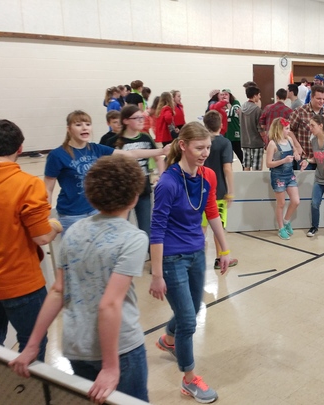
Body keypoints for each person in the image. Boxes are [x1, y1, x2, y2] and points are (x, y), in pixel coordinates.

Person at [10, 155, 151, 403]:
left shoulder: (74, 230)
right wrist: (110, 367)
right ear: (134, 197)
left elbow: (57, 290)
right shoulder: (134, 238)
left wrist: (32, 345)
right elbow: (109, 304)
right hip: (121, 350)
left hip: (76, 346)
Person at [150, 122, 237, 404]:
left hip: (197, 252)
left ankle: (168, 339)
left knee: (194, 305)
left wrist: (224, 250)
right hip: (172, 258)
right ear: (183, 146)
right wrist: (156, 274)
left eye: (208, 147)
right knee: (188, 320)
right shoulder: (168, 183)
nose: (205, 153)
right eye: (199, 148)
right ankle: (189, 380)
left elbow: (212, 212)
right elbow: (157, 229)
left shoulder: (207, 175)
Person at [0, 119, 61, 366]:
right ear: (20, 148)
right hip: (21, 283)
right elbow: (42, 236)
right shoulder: (28, 184)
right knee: (32, 344)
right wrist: (56, 225)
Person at [44, 110, 167, 231]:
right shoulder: (57, 155)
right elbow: (48, 189)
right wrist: (46, 216)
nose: (84, 128)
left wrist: (161, 151)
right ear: (69, 129)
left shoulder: (96, 149)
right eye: (78, 125)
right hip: (71, 214)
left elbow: (131, 153)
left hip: (96, 210)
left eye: (88, 124)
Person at [106, 105, 165, 243]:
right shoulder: (113, 141)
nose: (141, 120)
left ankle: (149, 254)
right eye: (136, 118)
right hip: (122, 193)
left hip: (143, 191)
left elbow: (158, 158)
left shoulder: (146, 138)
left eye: (142, 117)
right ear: (126, 121)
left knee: (146, 229)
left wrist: (161, 176)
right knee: (120, 229)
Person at [201, 110, 238, 269]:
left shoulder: (201, 142)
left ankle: (195, 258)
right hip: (219, 192)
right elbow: (227, 168)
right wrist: (231, 191)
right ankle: (220, 258)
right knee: (218, 226)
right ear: (221, 125)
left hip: (201, 190)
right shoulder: (225, 143)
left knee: (201, 226)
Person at [266, 118, 302, 240]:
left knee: (296, 201)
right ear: (279, 129)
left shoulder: (289, 140)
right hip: (278, 176)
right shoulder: (272, 144)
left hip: (290, 174)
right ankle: (281, 228)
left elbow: (295, 151)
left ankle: (286, 220)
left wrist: (296, 155)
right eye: (286, 128)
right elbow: (268, 164)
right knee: (281, 203)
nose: (288, 131)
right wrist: (283, 160)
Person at [289, 85, 324, 170]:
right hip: (305, 158)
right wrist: (297, 146)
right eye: (319, 99)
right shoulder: (299, 112)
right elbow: (289, 130)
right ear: (311, 97)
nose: (322, 101)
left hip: (323, 159)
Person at [240, 86, 264, 171]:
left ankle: (246, 180)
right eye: (259, 95)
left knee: (246, 166)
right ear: (255, 96)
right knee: (256, 168)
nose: (260, 97)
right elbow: (260, 128)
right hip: (256, 142)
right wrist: (265, 140)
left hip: (245, 141)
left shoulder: (242, 108)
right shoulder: (257, 110)